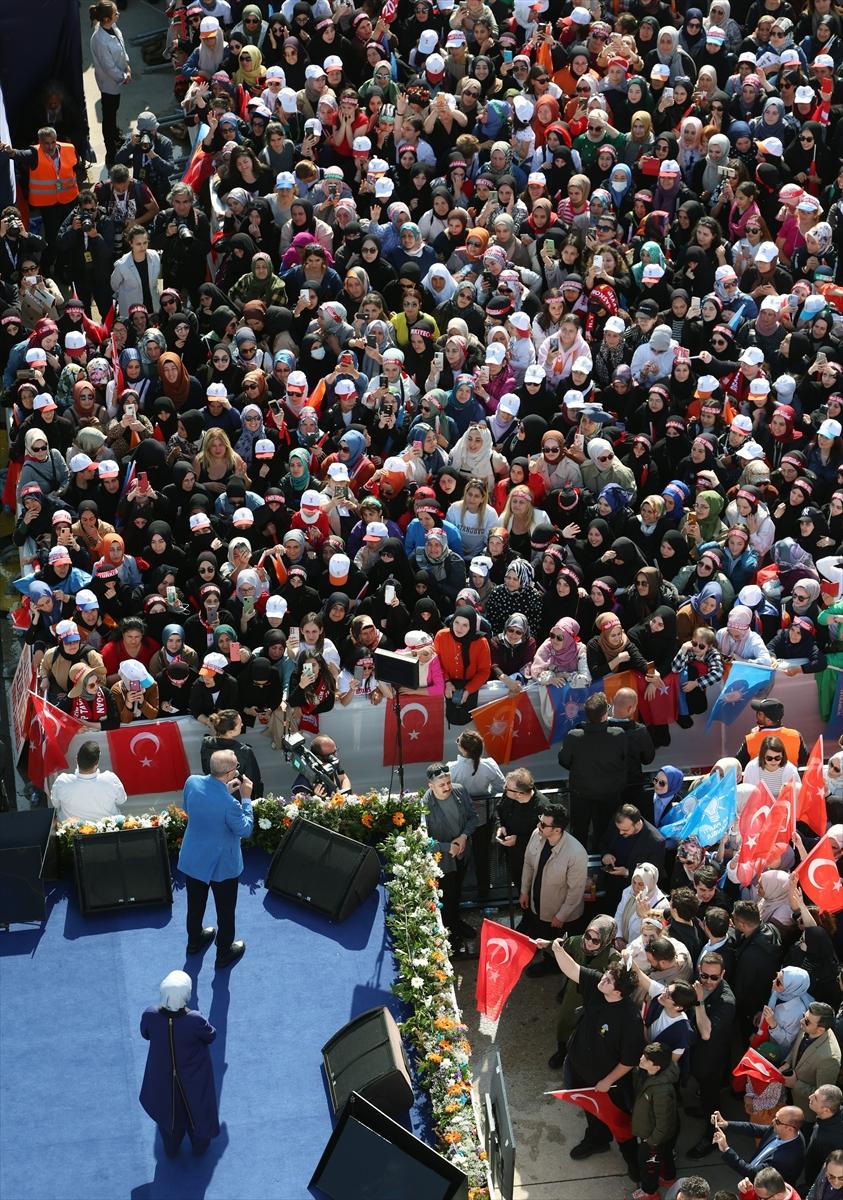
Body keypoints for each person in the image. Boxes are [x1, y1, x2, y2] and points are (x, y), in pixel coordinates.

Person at [548, 936, 645, 1161]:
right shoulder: (598, 985)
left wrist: (606, 1082)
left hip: (607, 1082)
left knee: (619, 1121)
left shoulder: (630, 1019)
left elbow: (629, 1060)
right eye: (607, 975)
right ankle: (596, 1140)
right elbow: (573, 969)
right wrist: (558, 950)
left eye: (610, 980)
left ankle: (633, 1162)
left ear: (619, 992)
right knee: (592, 1113)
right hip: (581, 1069)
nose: (604, 979)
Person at [177, 748, 254, 970]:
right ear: (230, 773)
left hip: (194, 860)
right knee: (225, 912)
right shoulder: (231, 804)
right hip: (223, 866)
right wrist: (246, 799)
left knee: (194, 906)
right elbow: (245, 829)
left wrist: (223, 793)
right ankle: (223, 953)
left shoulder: (191, 782)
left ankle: (194, 942)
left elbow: (192, 808)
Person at [139, 970, 219, 1157]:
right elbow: (211, 1035)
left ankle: (172, 1148)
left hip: (162, 1076)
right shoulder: (195, 1020)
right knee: (197, 1111)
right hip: (194, 1077)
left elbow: (145, 1033)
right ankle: (199, 1147)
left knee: (168, 1114)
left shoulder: (150, 1014)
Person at [518, 803, 588, 976]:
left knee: (560, 945)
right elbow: (528, 863)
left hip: (560, 913)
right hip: (538, 904)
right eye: (539, 821)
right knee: (544, 936)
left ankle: (557, 968)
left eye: (543, 825)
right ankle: (548, 961)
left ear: (557, 830)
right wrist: (524, 891)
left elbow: (576, 890)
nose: (538, 826)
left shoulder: (576, 852)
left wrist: (561, 915)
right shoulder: (537, 835)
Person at [558, 691, 628, 850]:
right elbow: (623, 759)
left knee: (580, 833)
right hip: (608, 794)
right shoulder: (618, 735)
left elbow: (564, 761)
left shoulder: (574, 737)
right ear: (605, 715)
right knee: (606, 834)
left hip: (583, 794)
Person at [686, 951, 737, 1158]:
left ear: (722, 974)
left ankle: (712, 1135)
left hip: (712, 1057)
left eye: (714, 977)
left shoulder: (726, 1001)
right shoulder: (698, 985)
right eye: (704, 975)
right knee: (704, 1092)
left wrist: (698, 1002)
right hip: (697, 1052)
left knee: (711, 1098)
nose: (708, 981)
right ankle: (705, 1112)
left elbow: (706, 1033)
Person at [422, 762, 478, 946]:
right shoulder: (425, 805)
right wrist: (448, 847)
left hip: (462, 853)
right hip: (442, 862)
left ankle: (456, 923)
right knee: (445, 897)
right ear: (431, 786)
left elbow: (473, 817)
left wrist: (463, 836)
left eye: (448, 782)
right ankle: (448, 931)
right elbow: (424, 841)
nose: (447, 788)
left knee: (457, 892)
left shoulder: (459, 791)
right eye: (442, 785)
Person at [626, 1041, 681, 1200]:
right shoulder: (649, 1073)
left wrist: (651, 1141)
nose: (641, 1059)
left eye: (646, 1059)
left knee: (649, 1165)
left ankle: (650, 1192)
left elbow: (663, 1122)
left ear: (656, 1068)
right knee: (666, 1156)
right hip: (662, 1135)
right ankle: (669, 1178)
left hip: (653, 1137)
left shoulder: (661, 1091)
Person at [712, 1104, 806, 1186]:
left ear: (789, 1129)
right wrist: (725, 1124)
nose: (773, 1121)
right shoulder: (783, 1131)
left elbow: (752, 1173)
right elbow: (754, 1129)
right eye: (775, 1117)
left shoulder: (785, 1159)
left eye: (777, 1121)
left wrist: (726, 1149)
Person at [780, 1004, 842, 1123]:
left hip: (804, 1111)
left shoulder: (830, 1058)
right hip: (790, 1098)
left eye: (807, 1021)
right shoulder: (808, 1027)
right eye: (804, 1016)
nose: (801, 1021)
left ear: (821, 1030)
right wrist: (787, 1063)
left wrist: (795, 1084)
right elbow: (796, 1049)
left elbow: (823, 1096)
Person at [88, 2, 131, 168]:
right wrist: (124, 77)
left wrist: (127, 65)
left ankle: (115, 137)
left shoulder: (112, 28)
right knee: (109, 118)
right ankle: (111, 155)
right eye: (115, 13)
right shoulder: (99, 40)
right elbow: (109, 67)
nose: (118, 14)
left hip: (117, 80)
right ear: (106, 19)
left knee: (113, 111)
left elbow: (121, 46)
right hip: (109, 84)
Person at [50, 740, 126, 823]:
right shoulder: (111, 779)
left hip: (72, 833)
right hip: (108, 832)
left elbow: (55, 804)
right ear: (97, 762)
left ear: (76, 759)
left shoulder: (62, 781)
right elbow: (121, 800)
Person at [609, 686, 656, 818]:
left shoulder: (601, 729)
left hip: (606, 790)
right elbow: (648, 759)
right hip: (633, 788)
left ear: (612, 702)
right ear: (631, 708)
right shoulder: (640, 731)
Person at [736, 698, 809, 769]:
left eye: (759, 713)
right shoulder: (795, 735)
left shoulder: (750, 739)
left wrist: (754, 735)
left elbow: (738, 766)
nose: (757, 715)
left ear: (768, 720)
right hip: (789, 780)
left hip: (759, 781)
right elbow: (806, 763)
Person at [803, 1088, 843, 1192]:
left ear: (826, 1110)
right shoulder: (836, 1111)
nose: (810, 1097)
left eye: (815, 1098)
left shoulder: (828, 1140)